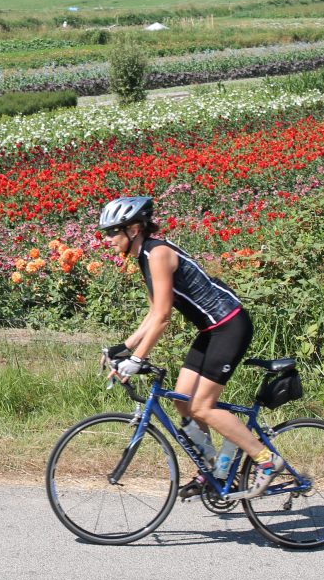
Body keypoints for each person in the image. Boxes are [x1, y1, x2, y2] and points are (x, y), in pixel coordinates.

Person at [96, 196, 284, 499]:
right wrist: (122, 348)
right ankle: (213, 470)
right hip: (211, 331)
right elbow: (152, 313)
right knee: (183, 401)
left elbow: (163, 317)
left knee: (202, 406)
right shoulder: (144, 256)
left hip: (229, 326)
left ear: (133, 229)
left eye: (112, 232)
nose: (107, 240)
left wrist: (137, 358)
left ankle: (266, 461)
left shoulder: (157, 254)